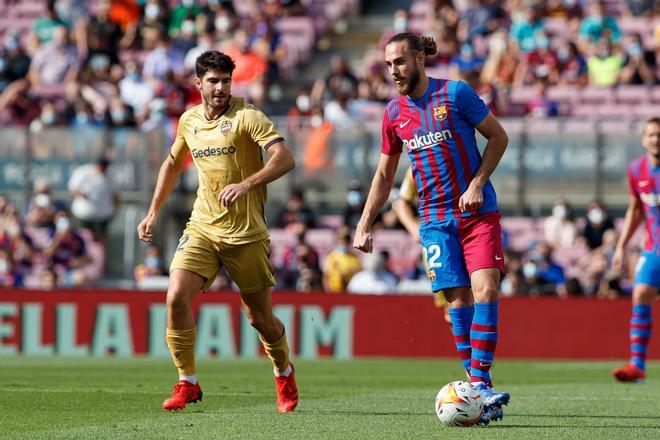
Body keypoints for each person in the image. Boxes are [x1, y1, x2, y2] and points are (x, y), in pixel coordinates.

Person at [352, 33, 509, 425]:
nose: (394, 71)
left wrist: (476, 184)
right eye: (388, 65)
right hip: (435, 220)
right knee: (458, 302)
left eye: (400, 62)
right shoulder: (393, 114)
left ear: (420, 59)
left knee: (485, 288)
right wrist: (364, 222)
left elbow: (498, 136)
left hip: (477, 213)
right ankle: (480, 386)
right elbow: (385, 173)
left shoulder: (456, 94)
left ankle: (477, 385)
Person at [136, 50, 298, 412]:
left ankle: (283, 371)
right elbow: (173, 164)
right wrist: (152, 212)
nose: (221, 87)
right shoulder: (189, 120)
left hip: (246, 234)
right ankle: (187, 382)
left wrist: (247, 184)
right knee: (176, 296)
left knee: (260, 319)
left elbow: (285, 158)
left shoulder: (248, 117)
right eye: (213, 80)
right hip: (203, 228)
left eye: (226, 80)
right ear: (199, 83)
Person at [611, 117, 660, 383]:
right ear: (644, 139)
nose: (655, 139)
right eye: (651, 135)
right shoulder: (636, 170)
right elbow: (636, 209)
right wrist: (621, 246)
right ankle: (637, 366)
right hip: (654, 249)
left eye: (659, 135)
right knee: (640, 293)